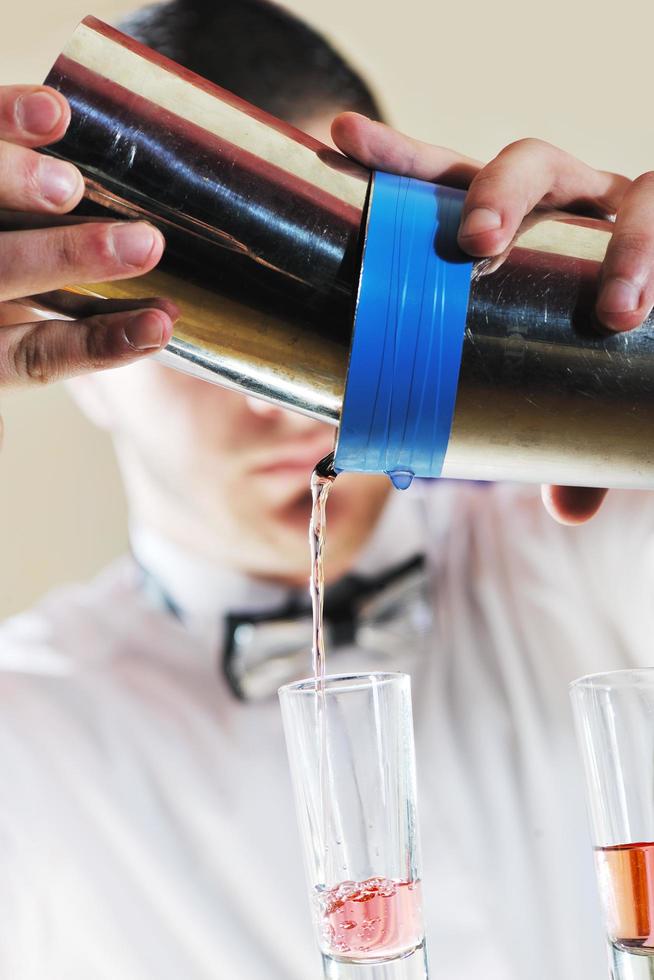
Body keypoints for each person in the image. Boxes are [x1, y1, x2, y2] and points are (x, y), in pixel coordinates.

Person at [1, 1, 654, 977]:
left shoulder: (599, 534)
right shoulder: (28, 729)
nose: (291, 403)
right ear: (62, 335)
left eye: (333, 311)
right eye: (220, 331)